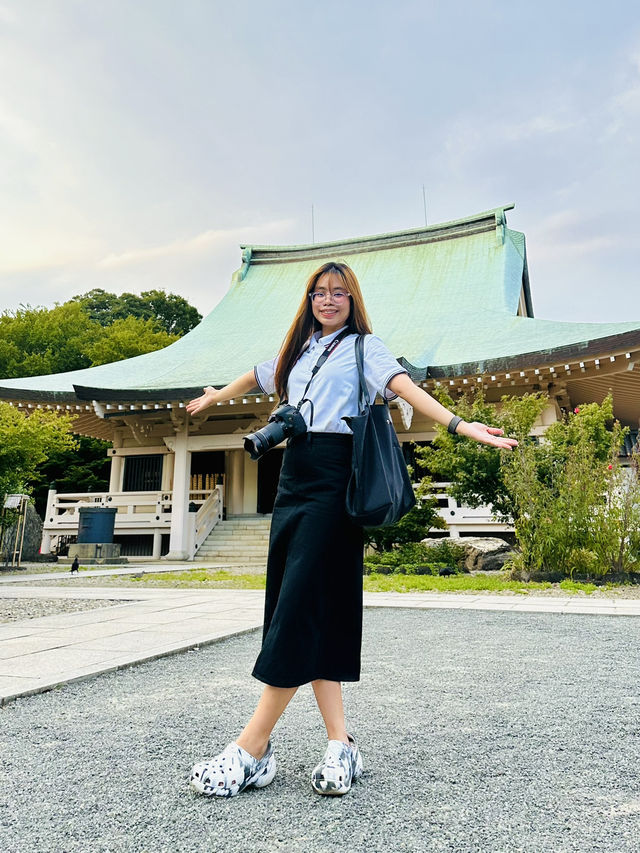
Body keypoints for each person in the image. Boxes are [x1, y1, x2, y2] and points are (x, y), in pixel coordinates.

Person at [185, 261, 517, 799]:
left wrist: (461, 426)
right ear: (309, 299)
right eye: (320, 293)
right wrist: (216, 397)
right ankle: (342, 744)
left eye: (339, 293)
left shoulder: (366, 348)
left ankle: (252, 748)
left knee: (297, 606)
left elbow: (407, 390)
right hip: (293, 479)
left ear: (353, 298)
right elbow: (257, 373)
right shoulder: (299, 349)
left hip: (337, 482)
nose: (329, 300)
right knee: (305, 606)